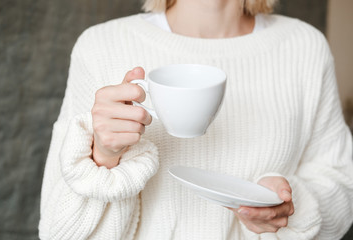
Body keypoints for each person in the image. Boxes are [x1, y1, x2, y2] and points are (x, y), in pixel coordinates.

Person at [39, 0, 353, 239]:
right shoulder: (100, 46)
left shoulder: (305, 46)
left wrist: (289, 204)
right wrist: (103, 157)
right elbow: (58, 229)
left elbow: (341, 185)